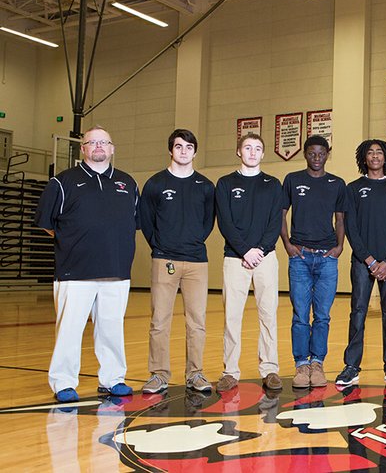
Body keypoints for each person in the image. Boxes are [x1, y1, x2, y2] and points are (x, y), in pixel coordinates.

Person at [34, 125, 139, 402]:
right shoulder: (62, 182)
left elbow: (133, 222)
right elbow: (46, 224)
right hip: (74, 272)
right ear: (83, 149)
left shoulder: (128, 183)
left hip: (116, 272)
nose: (99, 147)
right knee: (69, 330)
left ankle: (113, 378)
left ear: (112, 148)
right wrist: (73, 240)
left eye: (104, 142)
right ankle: (63, 382)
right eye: (92, 142)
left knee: (112, 329)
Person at [139, 129, 215, 394]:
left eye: (189, 147)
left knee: (197, 321)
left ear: (195, 151)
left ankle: (195, 373)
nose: (184, 151)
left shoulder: (205, 186)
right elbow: (147, 222)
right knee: (159, 320)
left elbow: (208, 222)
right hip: (164, 259)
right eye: (179, 146)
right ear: (170, 150)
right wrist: (162, 245)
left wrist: (191, 241)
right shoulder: (155, 184)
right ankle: (159, 374)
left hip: (196, 261)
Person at [335, 139, 386, 387]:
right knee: (358, 311)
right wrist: (369, 260)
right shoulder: (353, 188)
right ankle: (351, 366)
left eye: (379, 152)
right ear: (364, 158)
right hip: (361, 261)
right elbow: (351, 227)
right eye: (370, 152)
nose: (375, 156)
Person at [215, 133, 284, 392]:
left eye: (257, 148)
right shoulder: (225, 183)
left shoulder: (272, 184)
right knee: (232, 316)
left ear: (263, 153)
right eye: (247, 148)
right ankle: (230, 371)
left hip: (266, 258)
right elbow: (225, 222)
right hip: (235, 258)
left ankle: (270, 368)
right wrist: (245, 250)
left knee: (268, 314)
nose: (252, 152)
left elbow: (275, 223)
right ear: (238, 152)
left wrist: (261, 250)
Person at [281, 135, 346, 388]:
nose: (316, 157)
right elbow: (281, 214)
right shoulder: (292, 180)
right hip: (300, 257)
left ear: (327, 154)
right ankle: (301, 365)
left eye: (321, 153)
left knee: (322, 315)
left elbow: (340, 219)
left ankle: (317, 363)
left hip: (327, 259)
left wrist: (340, 246)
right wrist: (287, 244)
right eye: (312, 153)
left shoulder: (337, 184)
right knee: (300, 315)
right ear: (305, 154)